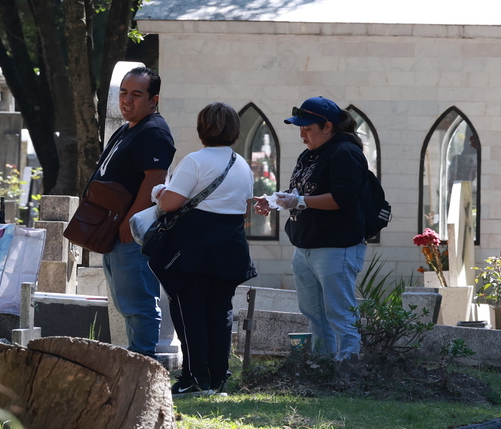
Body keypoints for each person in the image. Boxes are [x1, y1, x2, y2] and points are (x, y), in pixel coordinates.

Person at [154, 102, 255, 395]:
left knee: (191, 312)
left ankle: (195, 377)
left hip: (196, 247)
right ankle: (218, 377)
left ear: (202, 129)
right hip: (231, 246)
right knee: (221, 312)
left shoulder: (195, 161)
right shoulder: (242, 164)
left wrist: (158, 193)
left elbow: (170, 203)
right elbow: (244, 208)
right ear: (235, 131)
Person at [256, 97, 368, 361]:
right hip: (305, 245)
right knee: (314, 314)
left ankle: (348, 368)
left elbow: (343, 198)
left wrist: (301, 201)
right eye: (300, 128)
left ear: (327, 126)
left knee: (340, 313)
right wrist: (276, 201)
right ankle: (323, 366)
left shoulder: (345, 152)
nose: (302, 134)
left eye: (308, 128)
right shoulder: (309, 154)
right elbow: (303, 193)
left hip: (336, 245)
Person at [91, 66, 175, 357]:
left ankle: (143, 364)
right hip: (112, 229)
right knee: (125, 303)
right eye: (124, 93)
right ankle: (134, 361)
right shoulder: (129, 128)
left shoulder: (153, 131)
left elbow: (155, 180)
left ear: (154, 100)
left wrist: (130, 223)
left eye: (137, 94)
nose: (127, 100)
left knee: (139, 303)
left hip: (133, 233)